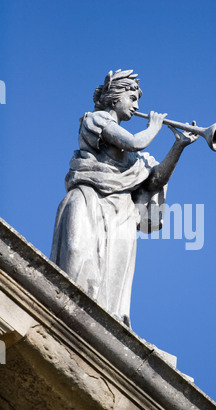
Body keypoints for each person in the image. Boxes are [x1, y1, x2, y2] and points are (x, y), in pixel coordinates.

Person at [50, 69, 199, 327]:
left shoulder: (133, 161)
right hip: (89, 199)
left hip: (121, 213)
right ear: (114, 97)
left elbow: (154, 180)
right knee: (77, 255)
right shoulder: (94, 121)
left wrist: (178, 146)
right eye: (132, 97)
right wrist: (154, 127)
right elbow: (133, 142)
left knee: (111, 279)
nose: (137, 105)